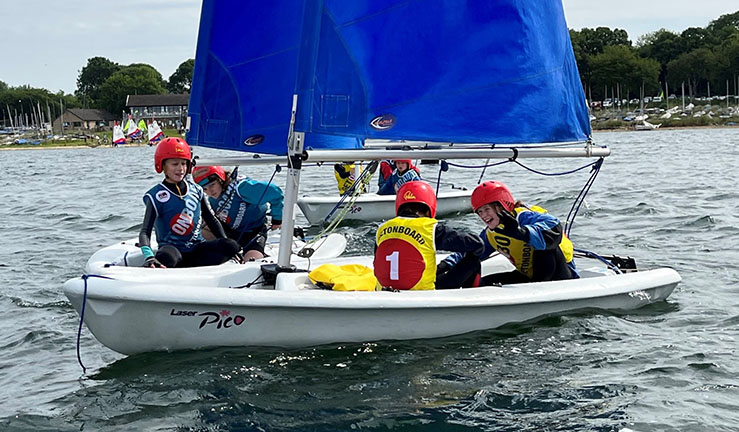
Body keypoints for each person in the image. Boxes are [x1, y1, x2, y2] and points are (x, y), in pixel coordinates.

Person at [444, 180, 578, 285]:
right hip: (530, 278)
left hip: (561, 276)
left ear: (501, 205)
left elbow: (554, 226)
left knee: (544, 244)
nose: (483, 215)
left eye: (487, 209)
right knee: (483, 283)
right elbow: (472, 251)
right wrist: (446, 264)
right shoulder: (491, 234)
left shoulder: (524, 217)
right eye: (480, 212)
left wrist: (521, 232)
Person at [139, 137, 240, 268]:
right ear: (162, 165)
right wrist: (149, 256)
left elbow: (211, 219)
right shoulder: (155, 196)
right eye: (175, 164)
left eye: (184, 163)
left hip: (197, 249)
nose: (180, 168)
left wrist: (226, 242)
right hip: (173, 251)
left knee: (231, 245)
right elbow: (145, 232)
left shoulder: (196, 190)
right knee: (166, 257)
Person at [374, 181, 484, 290]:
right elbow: (477, 244)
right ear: (428, 210)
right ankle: (469, 296)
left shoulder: (382, 228)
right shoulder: (431, 228)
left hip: (385, 293)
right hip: (423, 293)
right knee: (474, 260)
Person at [192, 165, 284, 260]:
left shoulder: (242, 188)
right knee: (197, 232)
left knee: (252, 260)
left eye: (212, 185)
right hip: (230, 231)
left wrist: (277, 219)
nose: (210, 191)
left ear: (220, 179)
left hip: (253, 232)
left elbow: (275, 192)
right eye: (205, 189)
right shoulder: (212, 198)